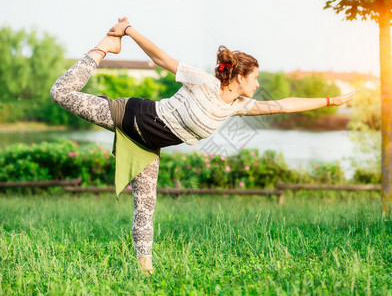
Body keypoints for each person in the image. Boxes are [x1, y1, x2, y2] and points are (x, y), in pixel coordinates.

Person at [50, 17, 359, 275]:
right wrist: (127, 32)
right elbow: (160, 58)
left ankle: (145, 272)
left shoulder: (237, 106)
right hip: (129, 116)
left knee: (145, 208)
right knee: (60, 93)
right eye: (255, 78)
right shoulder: (202, 82)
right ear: (238, 76)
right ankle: (103, 48)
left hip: (147, 147)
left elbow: (284, 105)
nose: (257, 85)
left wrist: (330, 101)